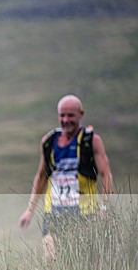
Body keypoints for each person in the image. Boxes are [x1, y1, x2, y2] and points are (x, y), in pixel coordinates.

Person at [18, 94, 112, 259]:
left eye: (70, 115)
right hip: (54, 212)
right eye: (62, 115)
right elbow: (41, 177)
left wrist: (104, 208)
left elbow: (106, 175)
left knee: (78, 260)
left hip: (84, 213)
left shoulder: (91, 141)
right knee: (50, 258)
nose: (66, 119)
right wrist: (29, 211)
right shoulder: (48, 142)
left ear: (80, 114)